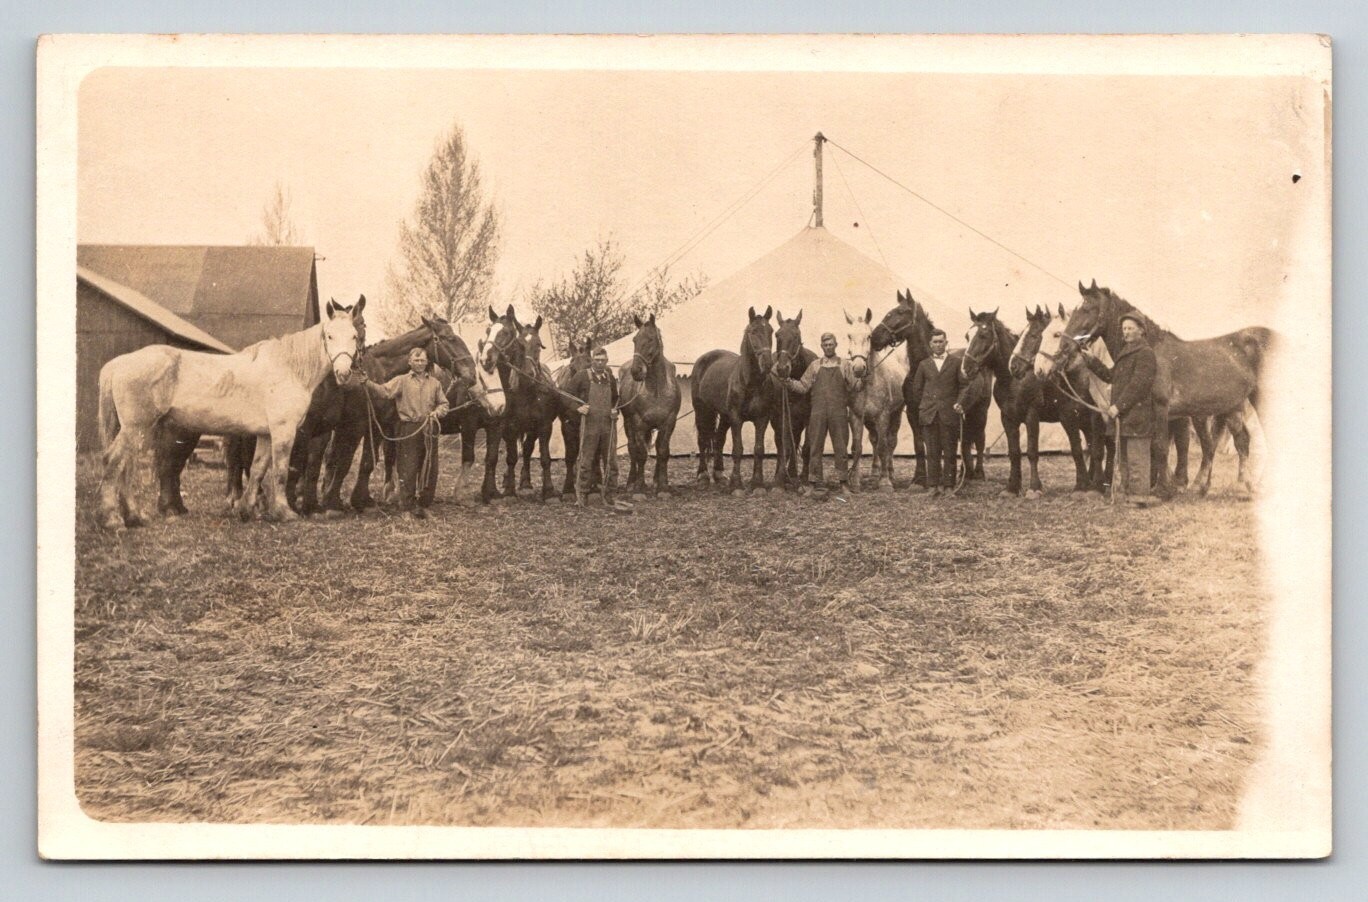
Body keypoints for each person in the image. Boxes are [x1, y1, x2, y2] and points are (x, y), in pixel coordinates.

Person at [1080, 312, 1159, 507]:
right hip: (1125, 416)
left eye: (1131, 328)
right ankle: (1127, 494)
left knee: (1137, 458)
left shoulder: (1145, 353)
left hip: (1137, 415)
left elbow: (1138, 385)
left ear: (1141, 330)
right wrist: (1091, 360)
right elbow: (1110, 376)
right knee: (1124, 457)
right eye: (1124, 329)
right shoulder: (1126, 352)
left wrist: (1118, 406)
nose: (1127, 332)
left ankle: (1139, 498)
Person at [361, 347, 449, 519]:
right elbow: (384, 391)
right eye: (416, 360)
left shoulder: (435, 383)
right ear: (409, 362)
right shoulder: (401, 381)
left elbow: (444, 404)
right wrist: (367, 383)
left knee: (429, 468)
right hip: (409, 428)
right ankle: (406, 508)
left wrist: (437, 412)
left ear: (427, 362)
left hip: (429, 428)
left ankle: (423, 506)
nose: (419, 363)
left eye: (422, 360)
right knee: (408, 468)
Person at [786, 332, 864, 499]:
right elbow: (803, 386)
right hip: (818, 413)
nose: (828, 347)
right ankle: (813, 484)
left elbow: (855, 386)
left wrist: (861, 378)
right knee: (815, 447)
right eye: (825, 345)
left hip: (839, 413)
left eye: (831, 344)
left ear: (836, 345)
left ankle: (843, 484)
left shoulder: (845, 365)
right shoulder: (815, 365)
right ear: (822, 346)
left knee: (841, 448)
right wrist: (788, 382)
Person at [910, 329, 966, 497]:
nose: (938, 345)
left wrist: (960, 402)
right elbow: (916, 390)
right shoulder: (924, 365)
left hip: (949, 414)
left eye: (941, 341)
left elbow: (964, 386)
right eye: (935, 342)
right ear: (930, 344)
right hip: (929, 415)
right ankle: (933, 486)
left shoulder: (956, 362)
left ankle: (948, 487)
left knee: (950, 451)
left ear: (946, 343)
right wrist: (926, 406)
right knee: (932, 452)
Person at [564, 346, 621, 507]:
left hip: (608, 425)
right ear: (592, 361)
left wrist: (615, 410)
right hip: (590, 425)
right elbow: (566, 396)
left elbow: (616, 399)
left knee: (611, 461)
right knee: (586, 460)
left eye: (602, 360)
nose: (600, 363)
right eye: (597, 360)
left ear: (607, 361)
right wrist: (578, 407)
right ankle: (581, 495)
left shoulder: (610, 378)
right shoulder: (582, 376)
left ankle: (610, 495)